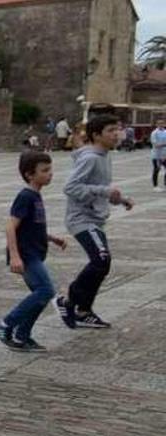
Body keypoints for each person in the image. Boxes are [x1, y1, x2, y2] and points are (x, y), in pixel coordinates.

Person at [55, 114, 134, 329]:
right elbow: (70, 188)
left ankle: (83, 311)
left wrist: (120, 199)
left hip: (95, 218)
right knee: (101, 259)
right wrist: (105, 191)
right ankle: (68, 301)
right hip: (80, 219)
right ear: (96, 135)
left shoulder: (105, 155)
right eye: (110, 130)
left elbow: (98, 188)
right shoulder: (91, 158)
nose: (116, 134)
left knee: (102, 263)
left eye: (117, 129)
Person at [0, 151, 67, 352]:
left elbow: (33, 227)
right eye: (44, 170)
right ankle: (6, 323)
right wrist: (15, 256)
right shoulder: (25, 196)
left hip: (34, 252)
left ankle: (22, 335)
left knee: (40, 296)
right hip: (26, 255)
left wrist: (52, 238)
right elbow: (10, 227)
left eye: (50, 169)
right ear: (29, 174)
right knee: (46, 291)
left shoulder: (35, 196)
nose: (50, 174)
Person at [151, 118, 166, 192]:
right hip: (156, 155)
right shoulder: (154, 133)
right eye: (159, 123)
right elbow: (155, 144)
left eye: (162, 123)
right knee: (157, 170)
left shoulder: (165, 131)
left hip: (165, 155)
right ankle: (155, 186)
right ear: (156, 124)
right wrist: (164, 144)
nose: (161, 125)